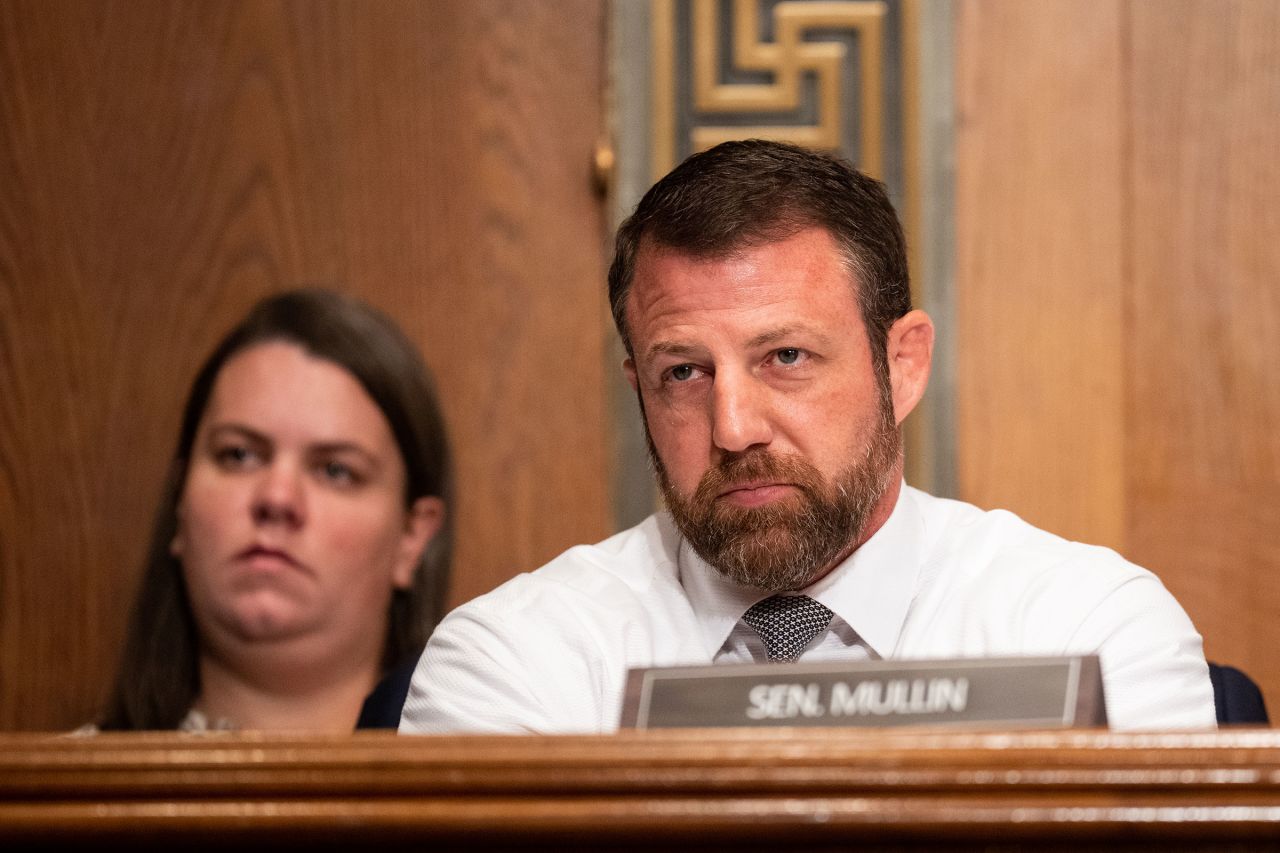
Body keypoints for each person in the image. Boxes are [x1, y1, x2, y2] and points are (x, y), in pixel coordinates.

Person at [400, 139, 1215, 734]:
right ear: (638, 389)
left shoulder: (1089, 633)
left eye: (786, 357)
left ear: (903, 364)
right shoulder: (515, 659)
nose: (733, 428)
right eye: (683, 372)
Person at [98, 289, 452, 732]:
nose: (277, 498)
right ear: (179, 501)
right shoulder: (43, 794)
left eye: (336, 470)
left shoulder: (489, 792)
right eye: (239, 455)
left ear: (412, 538)